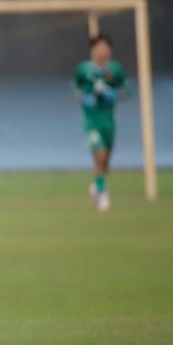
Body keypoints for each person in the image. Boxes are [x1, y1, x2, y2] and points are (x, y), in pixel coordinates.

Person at [73, 33, 129, 213]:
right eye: (99, 47)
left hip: (109, 120)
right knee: (99, 153)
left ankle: (96, 186)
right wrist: (85, 98)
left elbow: (127, 89)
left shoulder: (115, 69)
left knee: (105, 162)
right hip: (91, 120)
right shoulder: (83, 69)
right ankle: (102, 195)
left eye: (106, 47)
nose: (103, 50)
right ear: (93, 49)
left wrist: (114, 94)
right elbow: (76, 90)